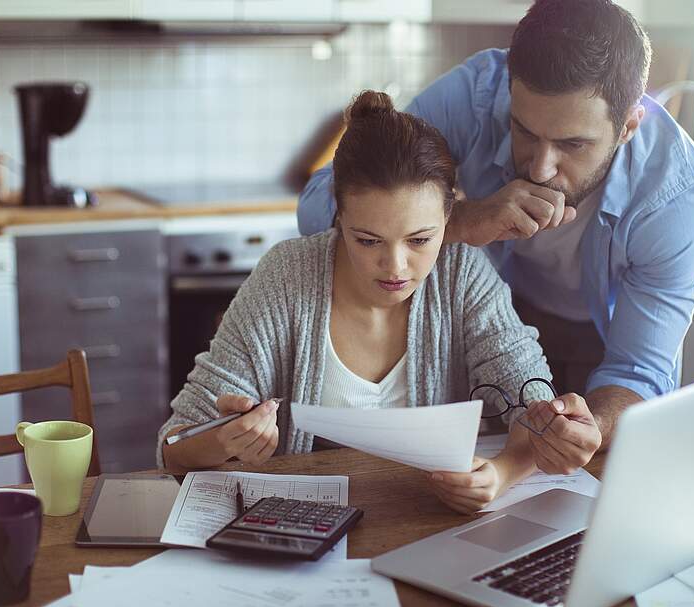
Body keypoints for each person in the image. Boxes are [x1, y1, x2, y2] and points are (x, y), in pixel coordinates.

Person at [297, 0, 694, 475]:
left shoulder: (674, 198)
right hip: (484, 328)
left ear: (628, 127)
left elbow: (639, 371)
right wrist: (461, 222)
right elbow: (316, 205)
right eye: (524, 131)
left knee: (581, 496)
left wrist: (594, 424)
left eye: (572, 144)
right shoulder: (475, 95)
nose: (540, 167)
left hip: (597, 345)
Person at [159, 91, 593, 514]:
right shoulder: (286, 277)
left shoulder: (462, 273)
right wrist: (223, 440)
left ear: (450, 217)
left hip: (420, 528)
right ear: (339, 217)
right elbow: (172, 447)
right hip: (298, 531)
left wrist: (501, 474)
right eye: (367, 240)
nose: (395, 266)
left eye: (420, 240)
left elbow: (533, 408)